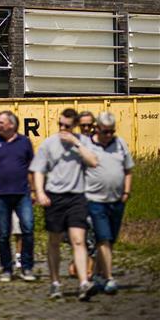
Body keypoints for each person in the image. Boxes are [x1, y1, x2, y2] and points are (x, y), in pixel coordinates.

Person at [30, 108, 99, 301]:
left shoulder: (83, 142)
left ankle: (84, 282)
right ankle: (55, 283)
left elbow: (93, 161)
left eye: (67, 126)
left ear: (74, 126)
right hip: (54, 196)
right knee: (54, 241)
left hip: (77, 196)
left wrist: (76, 143)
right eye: (60, 124)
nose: (62, 128)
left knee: (78, 240)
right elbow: (38, 170)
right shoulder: (48, 144)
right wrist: (40, 192)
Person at [0, 111, 37, 283]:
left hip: (23, 194)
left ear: (11, 125)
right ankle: (6, 268)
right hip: (1, 195)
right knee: (3, 234)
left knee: (28, 229)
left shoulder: (25, 142)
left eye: (0, 122)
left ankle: (26, 267)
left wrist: (35, 189)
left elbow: (32, 168)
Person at [84, 112, 134, 295]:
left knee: (110, 239)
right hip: (95, 200)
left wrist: (126, 191)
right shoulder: (87, 145)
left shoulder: (119, 144)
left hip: (117, 200)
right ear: (97, 128)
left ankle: (97, 274)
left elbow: (128, 169)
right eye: (106, 131)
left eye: (112, 131)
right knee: (103, 238)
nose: (109, 135)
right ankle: (109, 278)